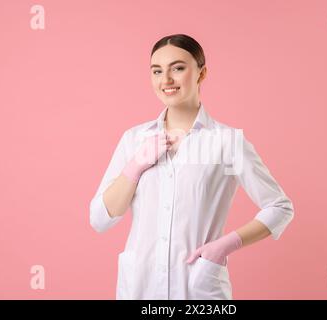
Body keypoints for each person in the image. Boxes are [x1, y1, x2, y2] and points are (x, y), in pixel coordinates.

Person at [89, 34, 295, 300]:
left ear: (201, 73)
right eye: (157, 71)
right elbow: (100, 219)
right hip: (140, 288)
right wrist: (135, 166)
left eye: (178, 68)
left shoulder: (227, 141)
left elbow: (280, 207)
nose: (166, 80)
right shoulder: (134, 139)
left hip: (198, 289)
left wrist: (224, 246)